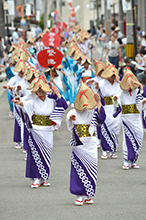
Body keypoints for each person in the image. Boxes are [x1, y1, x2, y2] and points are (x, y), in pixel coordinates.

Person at [12, 76, 68, 188]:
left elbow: (64, 105)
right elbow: (25, 104)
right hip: (36, 130)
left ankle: (44, 178)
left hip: (47, 131)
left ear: (47, 91)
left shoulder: (52, 102)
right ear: (36, 91)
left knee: (46, 154)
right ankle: (36, 179)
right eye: (39, 90)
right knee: (35, 154)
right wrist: (19, 102)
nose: (41, 92)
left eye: (43, 90)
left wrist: (57, 92)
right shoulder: (32, 101)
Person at [66, 82, 106, 205]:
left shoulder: (92, 111)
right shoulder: (72, 112)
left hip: (91, 144)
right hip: (79, 146)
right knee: (78, 169)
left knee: (91, 169)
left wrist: (98, 102)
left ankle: (88, 195)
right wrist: (71, 120)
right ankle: (79, 195)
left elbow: (101, 119)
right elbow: (69, 125)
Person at [113, 70, 145, 169]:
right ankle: (126, 160)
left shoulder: (137, 91)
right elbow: (117, 99)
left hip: (136, 118)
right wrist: (115, 100)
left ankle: (133, 160)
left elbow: (144, 96)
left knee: (139, 138)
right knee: (127, 140)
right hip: (126, 118)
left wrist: (140, 85)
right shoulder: (121, 91)